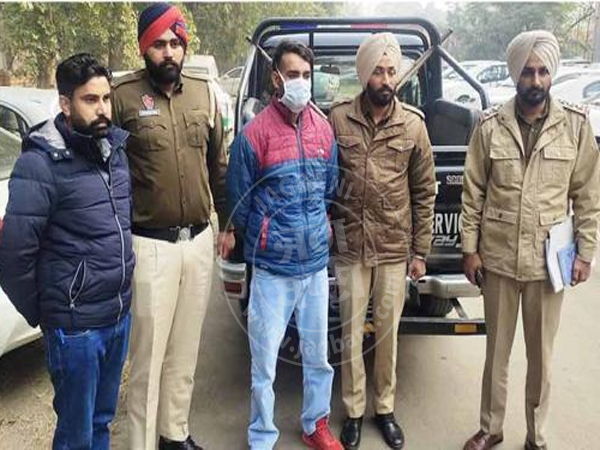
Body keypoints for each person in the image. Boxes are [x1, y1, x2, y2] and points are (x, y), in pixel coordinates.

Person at [460, 30, 600, 450]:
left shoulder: (575, 126)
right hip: (499, 257)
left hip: (548, 263)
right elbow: (473, 192)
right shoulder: (490, 125)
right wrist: (470, 249)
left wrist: (586, 253)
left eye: (542, 71)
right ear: (515, 74)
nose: (535, 80)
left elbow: (588, 194)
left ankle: (536, 436)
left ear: (551, 74)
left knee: (542, 358)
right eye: (527, 71)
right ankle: (491, 428)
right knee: (496, 355)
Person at [111, 3, 234, 450]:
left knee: (184, 352)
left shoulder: (204, 94)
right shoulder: (122, 97)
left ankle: (174, 434)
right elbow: (107, 175)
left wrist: (227, 225)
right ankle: (141, 443)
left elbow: (218, 165)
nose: (169, 52)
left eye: (175, 44)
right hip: (150, 247)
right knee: (148, 360)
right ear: (144, 48)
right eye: (159, 44)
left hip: (198, 242)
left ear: (185, 47)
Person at [0, 52, 133, 450]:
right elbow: (13, 255)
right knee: (76, 435)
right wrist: (49, 314)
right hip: (76, 330)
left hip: (117, 316)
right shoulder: (40, 165)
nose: (102, 108)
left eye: (106, 98)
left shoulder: (115, 152)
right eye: (90, 100)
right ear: (65, 104)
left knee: (102, 421)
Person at [227, 40, 342, 450]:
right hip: (273, 270)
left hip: (314, 266)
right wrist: (265, 236)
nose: (301, 83)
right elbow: (239, 201)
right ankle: (261, 436)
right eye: (293, 74)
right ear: (276, 78)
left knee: (318, 356)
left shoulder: (323, 129)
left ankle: (316, 424)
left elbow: (330, 187)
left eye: (307, 75)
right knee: (265, 362)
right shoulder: (254, 134)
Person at [328, 33, 436, 450]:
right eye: (378, 71)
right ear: (364, 75)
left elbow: (424, 191)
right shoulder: (338, 119)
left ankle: (385, 409)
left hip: (393, 247)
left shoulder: (413, 124)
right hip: (350, 246)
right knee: (351, 333)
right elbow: (325, 180)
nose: (386, 79)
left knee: (388, 334)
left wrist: (420, 251)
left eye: (392, 71)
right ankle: (354, 411)